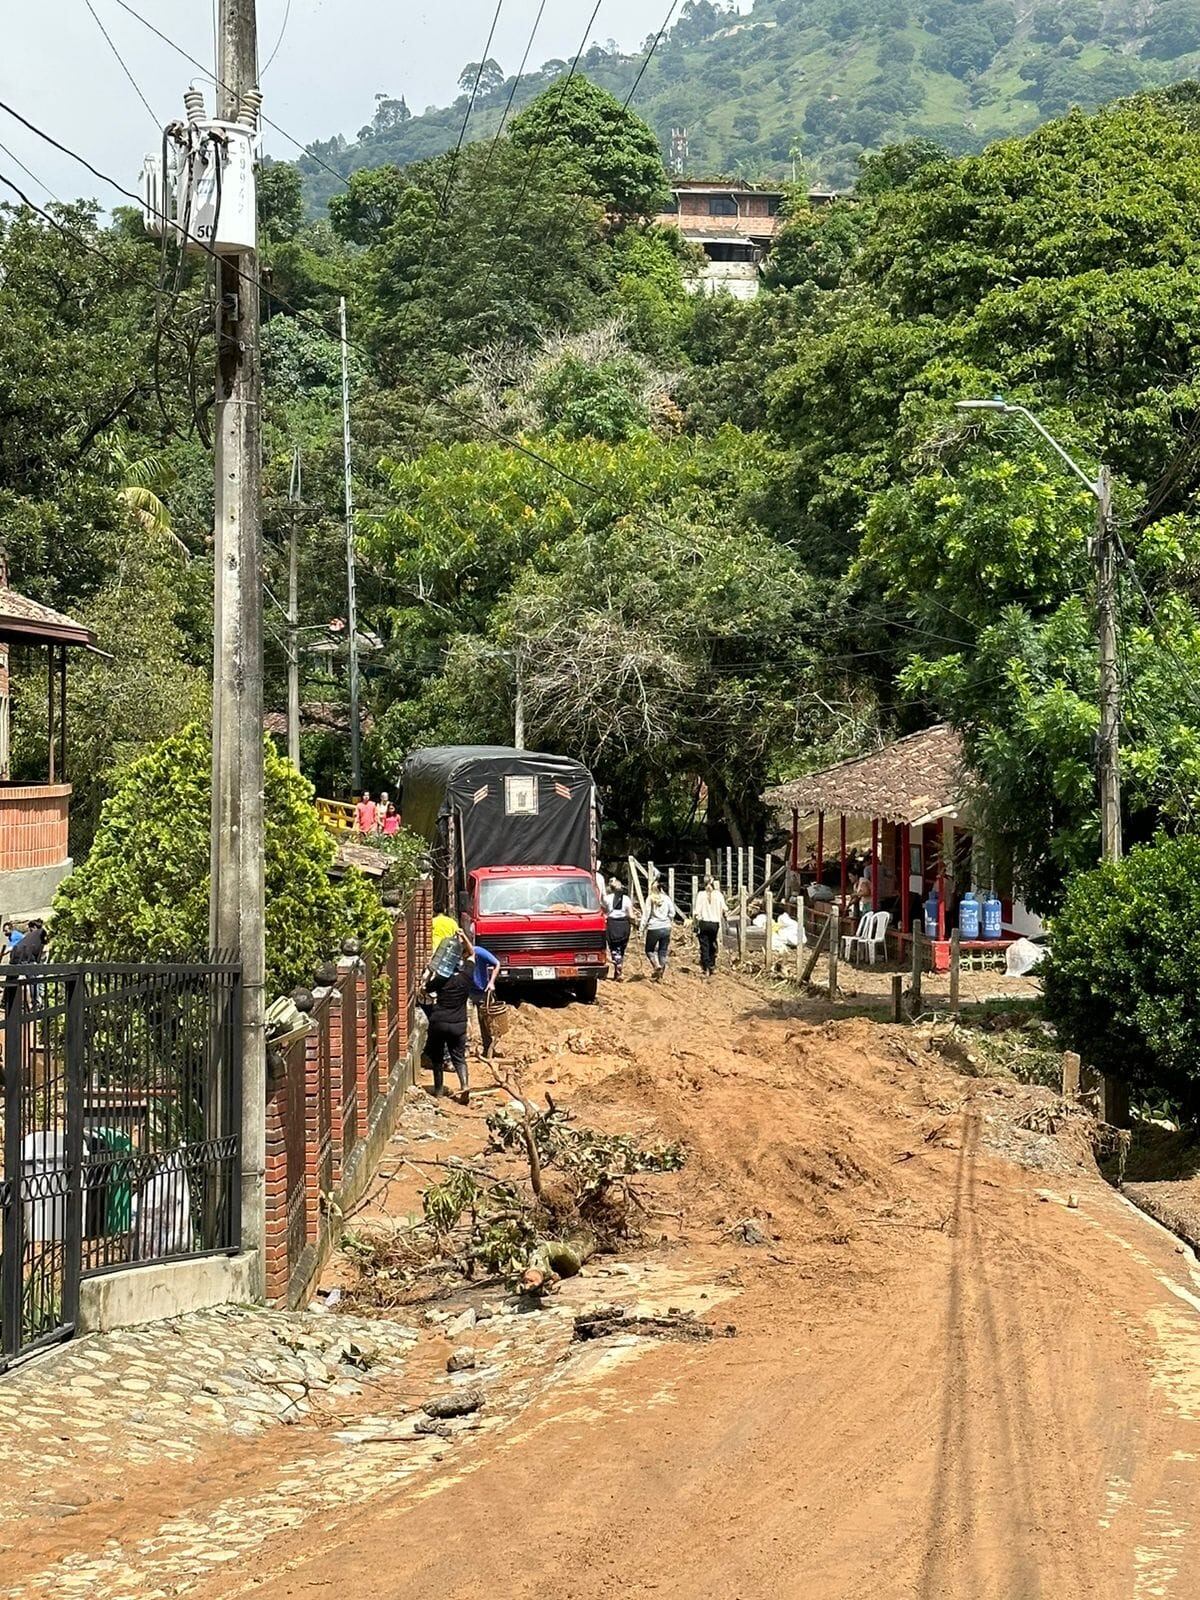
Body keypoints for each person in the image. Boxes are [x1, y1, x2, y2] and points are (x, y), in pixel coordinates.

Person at [423, 949, 474, 1104]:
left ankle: (439, 1091)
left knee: (437, 1058)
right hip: (458, 1024)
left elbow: (425, 989)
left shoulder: (441, 980)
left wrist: (430, 970)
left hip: (439, 1022)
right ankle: (464, 1085)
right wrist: (463, 938)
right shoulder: (466, 977)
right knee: (459, 1058)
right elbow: (472, 954)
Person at [468, 937, 502, 1058]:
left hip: (482, 990)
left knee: (486, 1021)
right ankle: (465, 1048)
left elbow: (497, 963)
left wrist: (491, 982)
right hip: (466, 991)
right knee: (465, 1020)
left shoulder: (479, 952)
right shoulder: (458, 955)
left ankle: (488, 1048)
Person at [640, 879, 679, 981]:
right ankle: (660, 975)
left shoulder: (650, 899)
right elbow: (672, 913)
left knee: (649, 950)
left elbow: (646, 915)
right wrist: (667, 920)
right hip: (666, 927)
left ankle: (656, 965)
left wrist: (641, 928)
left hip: (654, 927)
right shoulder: (667, 899)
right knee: (663, 951)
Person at [692, 877, 728, 979]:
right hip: (715, 924)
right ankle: (712, 964)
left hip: (704, 923)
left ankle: (706, 966)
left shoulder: (701, 895)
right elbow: (725, 909)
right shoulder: (719, 895)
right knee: (712, 943)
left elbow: (696, 912)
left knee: (704, 945)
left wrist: (695, 924)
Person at [603, 878, 633, 980]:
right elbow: (631, 915)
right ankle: (618, 970)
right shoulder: (627, 899)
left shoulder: (607, 899)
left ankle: (618, 969)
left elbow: (603, 911)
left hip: (612, 924)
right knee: (621, 948)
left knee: (614, 948)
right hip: (624, 925)